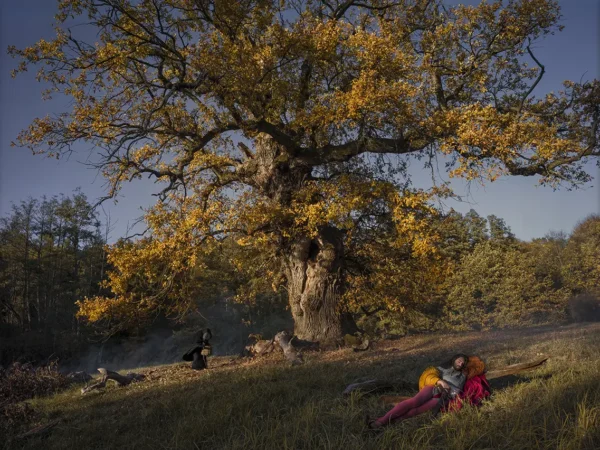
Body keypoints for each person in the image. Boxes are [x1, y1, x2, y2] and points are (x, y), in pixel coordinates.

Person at [367, 354, 471, 430]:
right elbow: (429, 375)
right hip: (435, 387)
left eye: (463, 362)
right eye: (459, 360)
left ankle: (386, 422)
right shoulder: (444, 368)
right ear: (454, 359)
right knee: (414, 402)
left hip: (442, 397)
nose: (461, 363)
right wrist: (440, 381)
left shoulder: (464, 376)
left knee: (417, 411)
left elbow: (477, 367)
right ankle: (381, 421)